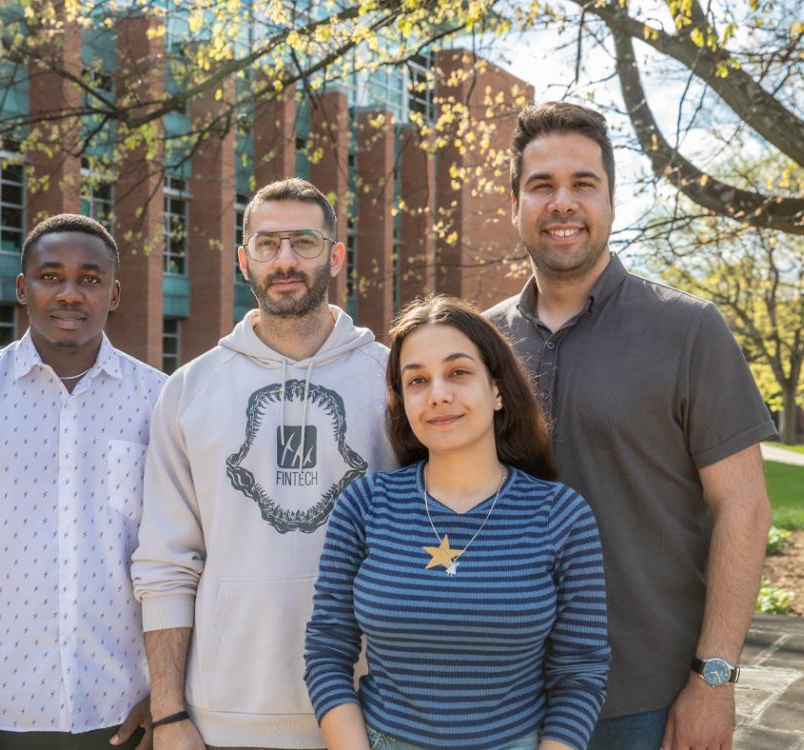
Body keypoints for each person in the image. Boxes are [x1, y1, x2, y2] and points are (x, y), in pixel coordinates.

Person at [486, 102, 777, 750]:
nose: (562, 203)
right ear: (514, 205)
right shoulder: (478, 346)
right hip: (500, 702)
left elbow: (745, 509)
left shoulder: (689, 330)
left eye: (583, 184)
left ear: (612, 201)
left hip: (648, 705)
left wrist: (715, 679)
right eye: (541, 186)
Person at [131, 178, 396, 750]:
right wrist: (170, 714)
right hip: (225, 715)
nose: (285, 261)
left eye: (304, 242)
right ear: (243, 258)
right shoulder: (189, 391)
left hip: (371, 711)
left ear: (336, 254)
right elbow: (166, 564)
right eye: (267, 243)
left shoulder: (394, 382)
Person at [0, 214, 165, 750]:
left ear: (114, 294)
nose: (70, 293)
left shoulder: (159, 402)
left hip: (130, 710)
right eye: (51, 276)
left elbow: (185, 558)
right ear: (23, 288)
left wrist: (169, 691)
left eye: (89, 279)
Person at [304, 294, 610, 750]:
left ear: (498, 389)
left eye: (459, 372)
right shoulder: (365, 506)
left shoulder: (560, 515)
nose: (439, 394)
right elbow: (327, 653)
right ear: (403, 401)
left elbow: (581, 672)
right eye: (417, 381)